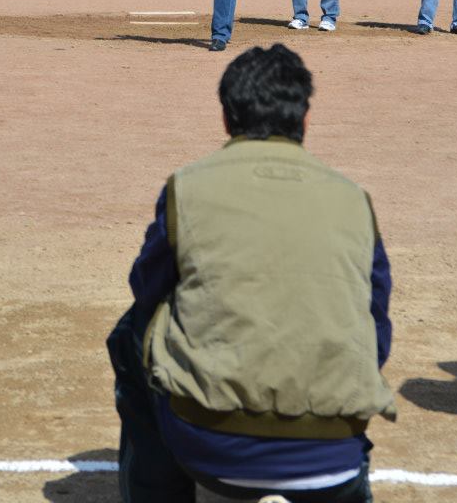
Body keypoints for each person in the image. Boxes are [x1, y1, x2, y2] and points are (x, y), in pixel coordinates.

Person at [107, 43, 395, 503]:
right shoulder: (353, 199)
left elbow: (146, 288)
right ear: (303, 120)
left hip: (211, 445)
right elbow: (376, 320)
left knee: (131, 332)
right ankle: (351, 481)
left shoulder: (189, 185)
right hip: (330, 457)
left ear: (226, 119)